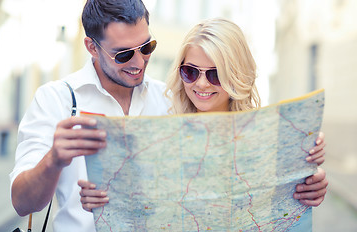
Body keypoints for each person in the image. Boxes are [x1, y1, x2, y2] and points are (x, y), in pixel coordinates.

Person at [78, 18, 327, 214]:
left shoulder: (270, 137)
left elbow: (288, 198)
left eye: (215, 74)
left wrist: (310, 181)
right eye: (190, 72)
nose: (201, 84)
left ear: (236, 75)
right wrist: (103, 199)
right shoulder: (159, 136)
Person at [9, 0, 169, 231]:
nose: (138, 62)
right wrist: (53, 160)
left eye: (147, 47)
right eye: (123, 54)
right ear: (92, 47)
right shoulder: (55, 99)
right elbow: (22, 204)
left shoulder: (168, 98)